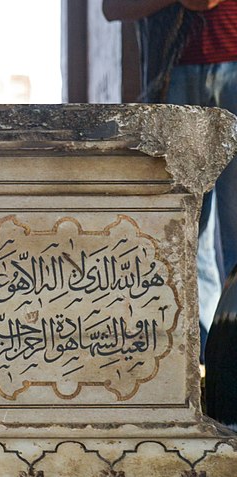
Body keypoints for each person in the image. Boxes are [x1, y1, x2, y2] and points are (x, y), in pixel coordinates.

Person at [103, 0, 237, 356]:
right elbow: (113, 7)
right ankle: (198, 361)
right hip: (171, 77)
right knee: (183, 235)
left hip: (231, 66)